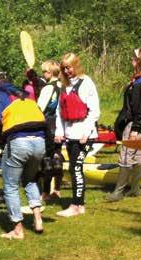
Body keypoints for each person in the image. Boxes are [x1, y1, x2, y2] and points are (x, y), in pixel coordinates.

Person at [0, 71, 45, 240]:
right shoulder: (25, 94)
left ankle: (18, 230)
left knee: (10, 186)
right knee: (30, 179)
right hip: (40, 141)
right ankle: (38, 219)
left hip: (19, 142)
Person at [105, 48, 141, 202]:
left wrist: (135, 129)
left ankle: (118, 192)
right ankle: (135, 189)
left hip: (135, 124)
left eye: (133, 58)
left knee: (126, 155)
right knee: (138, 154)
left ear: (140, 61)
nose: (131, 60)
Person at [54, 53, 100, 217]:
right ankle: (78, 204)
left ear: (76, 66)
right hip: (70, 134)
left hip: (85, 135)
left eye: (69, 67)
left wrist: (86, 132)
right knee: (74, 169)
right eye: (64, 68)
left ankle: (77, 205)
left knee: (76, 168)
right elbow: (60, 112)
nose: (67, 71)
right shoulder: (63, 86)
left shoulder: (86, 83)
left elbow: (94, 111)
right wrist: (59, 131)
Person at [37, 60, 63, 201]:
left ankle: (45, 192)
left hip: (48, 125)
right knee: (57, 156)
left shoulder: (48, 88)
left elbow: (40, 108)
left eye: (44, 72)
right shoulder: (63, 85)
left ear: (50, 72)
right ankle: (57, 189)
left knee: (46, 159)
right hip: (61, 125)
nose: (43, 74)